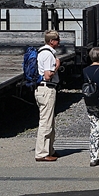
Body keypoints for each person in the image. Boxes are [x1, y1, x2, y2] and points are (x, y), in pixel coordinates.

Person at [34, 30, 63, 161]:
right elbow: (48, 75)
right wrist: (57, 66)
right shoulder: (48, 55)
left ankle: (49, 149)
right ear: (51, 41)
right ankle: (42, 153)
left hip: (43, 89)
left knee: (49, 120)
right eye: (57, 40)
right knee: (46, 122)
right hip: (47, 88)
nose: (59, 42)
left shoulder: (42, 52)